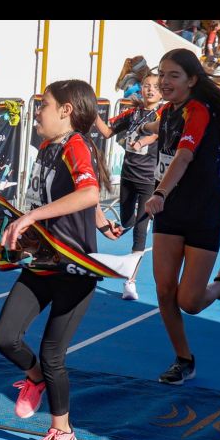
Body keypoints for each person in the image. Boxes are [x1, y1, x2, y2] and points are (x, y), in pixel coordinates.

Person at [0, 79, 118, 440]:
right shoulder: (47, 147)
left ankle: (62, 433)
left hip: (74, 267)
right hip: (41, 262)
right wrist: (100, 221)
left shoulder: (78, 145)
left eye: (44, 105)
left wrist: (33, 216)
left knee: (53, 354)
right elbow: (78, 196)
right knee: (5, 338)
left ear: (66, 110)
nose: (37, 112)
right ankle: (33, 378)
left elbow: (90, 191)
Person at [140, 49, 220, 385]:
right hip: (171, 212)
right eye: (163, 74)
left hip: (202, 211)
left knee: (189, 301)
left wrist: (159, 193)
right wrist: (144, 125)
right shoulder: (168, 111)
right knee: (163, 290)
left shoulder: (198, 110)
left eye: (174, 75)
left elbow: (185, 156)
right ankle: (183, 359)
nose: (165, 81)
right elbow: (162, 128)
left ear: (192, 80)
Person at [94, 72, 162, 300]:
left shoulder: (163, 113)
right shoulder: (132, 113)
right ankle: (135, 221)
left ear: (162, 91)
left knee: (140, 233)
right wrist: (91, 111)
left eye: (155, 86)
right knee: (126, 221)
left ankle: (130, 281)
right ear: (140, 89)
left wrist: (142, 140)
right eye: (146, 86)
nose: (150, 90)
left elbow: (155, 134)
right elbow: (106, 132)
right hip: (128, 176)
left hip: (148, 179)